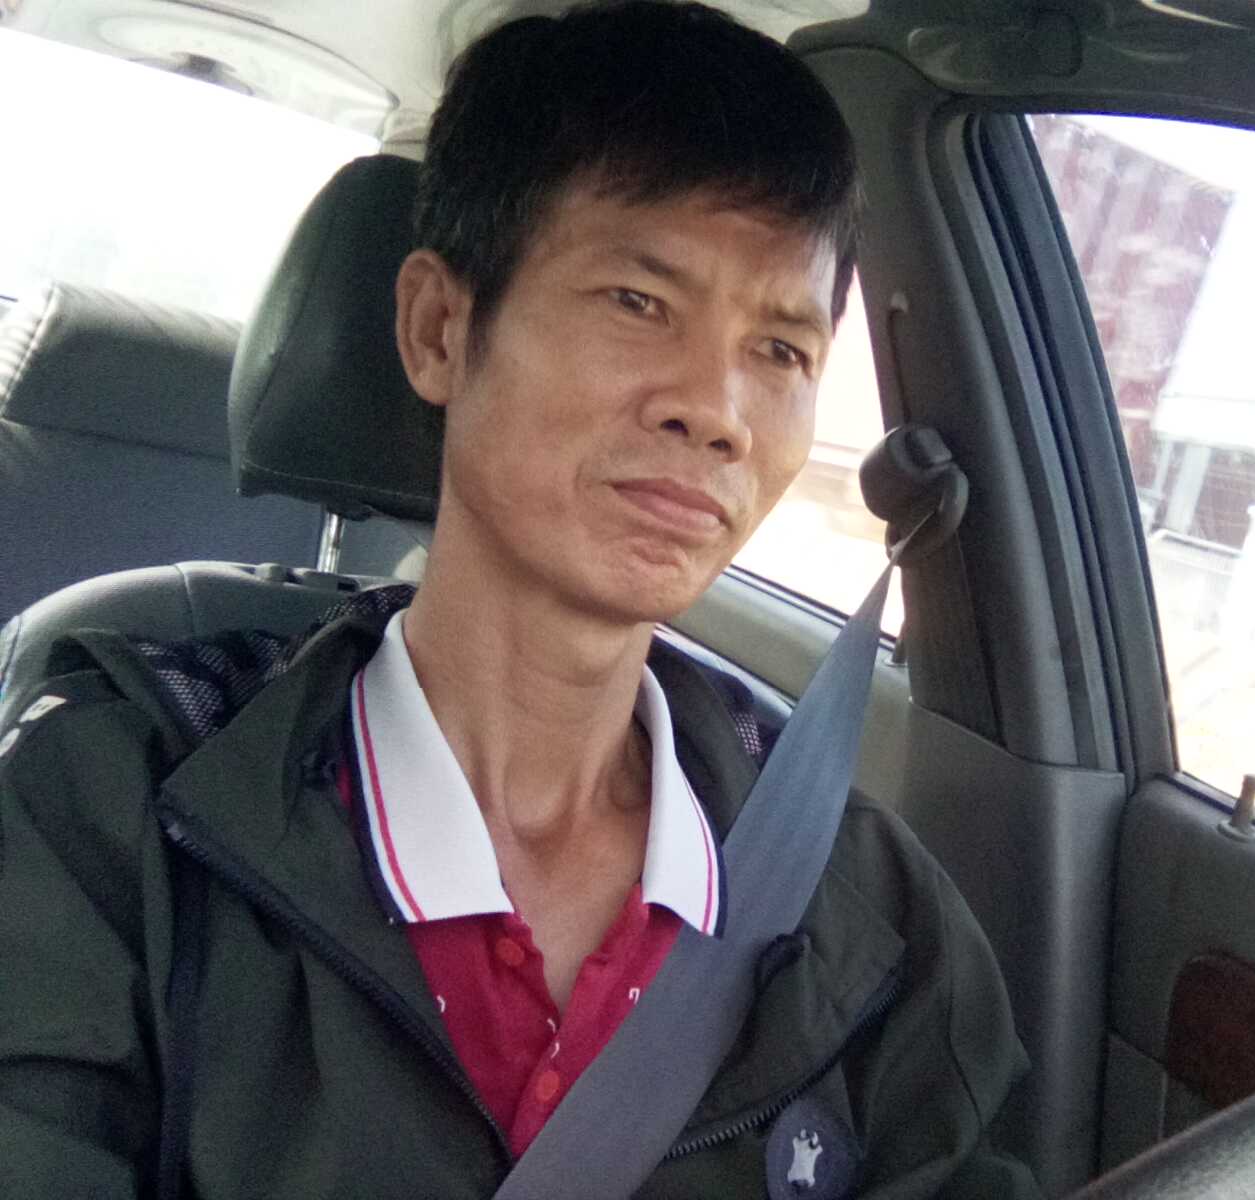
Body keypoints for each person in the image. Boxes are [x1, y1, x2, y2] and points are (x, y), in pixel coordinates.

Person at [0, 3, 1039, 1196]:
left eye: (780, 350)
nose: (716, 410)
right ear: (439, 330)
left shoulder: (866, 905)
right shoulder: (111, 814)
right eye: (638, 301)